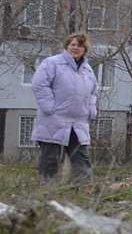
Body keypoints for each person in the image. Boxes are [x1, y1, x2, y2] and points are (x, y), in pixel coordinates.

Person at [32, 31, 97, 182]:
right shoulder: (52, 63)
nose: (76, 48)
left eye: (80, 46)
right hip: (54, 120)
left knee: (81, 158)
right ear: (67, 46)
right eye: (73, 45)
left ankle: (86, 190)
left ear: (84, 50)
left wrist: (90, 110)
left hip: (78, 122)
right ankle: (47, 192)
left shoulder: (87, 70)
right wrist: (48, 107)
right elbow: (39, 84)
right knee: (50, 159)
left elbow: (93, 91)